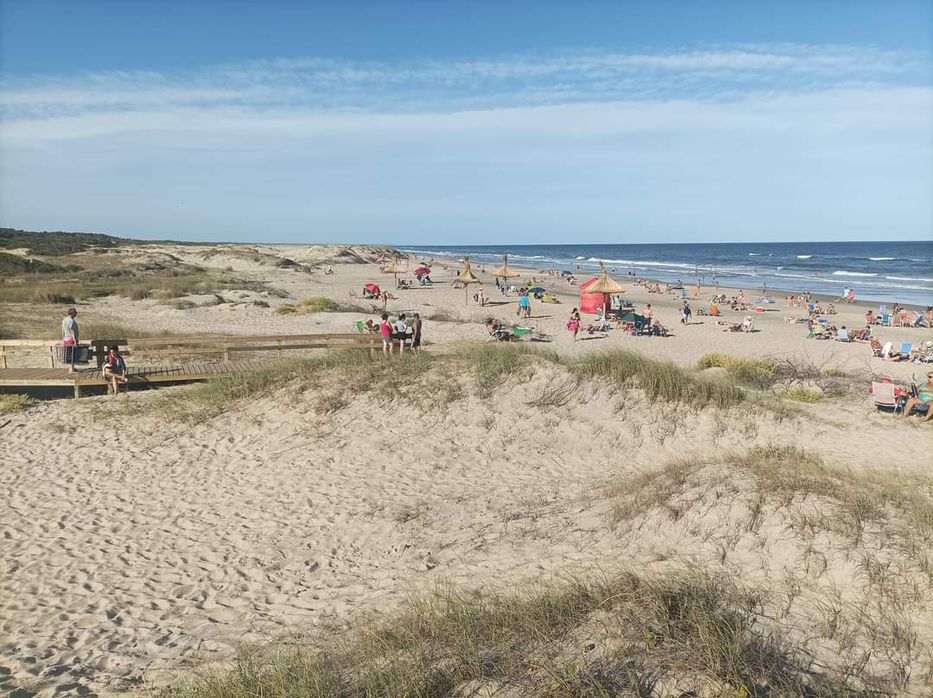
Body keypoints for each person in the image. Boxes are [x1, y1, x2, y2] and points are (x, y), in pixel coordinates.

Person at [61, 307, 80, 372]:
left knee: (69, 353)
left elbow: (63, 330)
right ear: (73, 313)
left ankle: (72, 367)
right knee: (72, 354)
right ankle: (71, 369)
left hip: (66, 339)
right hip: (71, 339)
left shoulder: (64, 319)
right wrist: (75, 340)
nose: (76, 313)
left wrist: (63, 338)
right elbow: (72, 330)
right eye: (75, 312)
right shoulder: (71, 320)